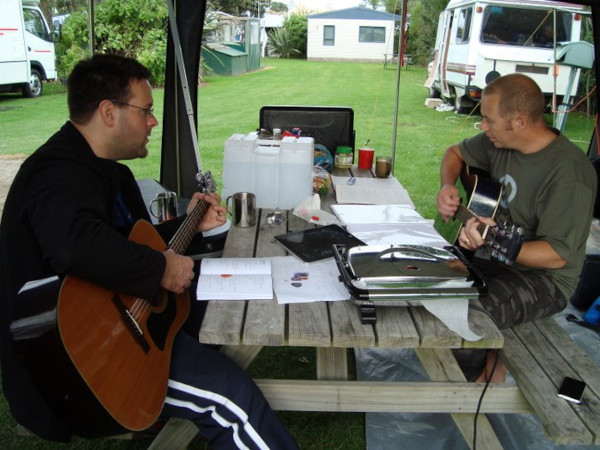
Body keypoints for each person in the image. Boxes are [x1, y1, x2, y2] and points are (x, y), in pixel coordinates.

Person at [0, 53, 298, 449]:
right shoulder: (57, 171)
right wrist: (159, 268)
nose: (153, 122)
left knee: (230, 293)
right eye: (146, 111)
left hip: (129, 321)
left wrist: (189, 226)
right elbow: (74, 246)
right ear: (109, 112)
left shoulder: (110, 170)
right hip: (85, 359)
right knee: (232, 401)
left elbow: (127, 242)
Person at [436, 73, 597, 382]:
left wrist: (492, 238)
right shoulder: (500, 141)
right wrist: (447, 186)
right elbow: (455, 153)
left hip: (542, 280)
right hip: (492, 258)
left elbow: (556, 256)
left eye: (489, 120)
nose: (483, 127)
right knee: (420, 278)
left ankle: (471, 389)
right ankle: (482, 363)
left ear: (520, 122)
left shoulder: (570, 174)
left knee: (464, 319)